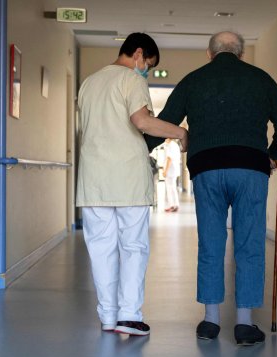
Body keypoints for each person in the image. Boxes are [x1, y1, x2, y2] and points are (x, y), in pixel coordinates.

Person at [146, 31, 277, 345]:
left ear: (209, 53)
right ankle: (243, 324)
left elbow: (166, 121)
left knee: (211, 243)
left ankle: (210, 321)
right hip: (250, 170)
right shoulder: (260, 78)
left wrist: (141, 145)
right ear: (240, 53)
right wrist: (273, 154)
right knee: (249, 246)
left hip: (207, 169)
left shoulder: (194, 79)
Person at [76, 32, 188, 336]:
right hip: (126, 177)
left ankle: (109, 317)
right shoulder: (131, 80)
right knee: (133, 247)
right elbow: (141, 121)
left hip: (93, 180)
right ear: (138, 54)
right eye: (148, 65)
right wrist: (179, 132)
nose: (146, 72)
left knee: (100, 249)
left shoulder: (89, 82)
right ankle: (129, 315)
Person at [162, 138, 181, 212]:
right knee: (173, 188)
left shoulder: (170, 145)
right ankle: (175, 205)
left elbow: (169, 159)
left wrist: (165, 171)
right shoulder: (175, 145)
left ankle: (172, 205)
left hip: (170, 170)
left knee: (170, 188)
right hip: (174, 170)